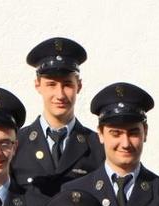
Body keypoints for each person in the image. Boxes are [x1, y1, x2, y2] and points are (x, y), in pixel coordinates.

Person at [12, 37, 104, 197]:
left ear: (79, 86)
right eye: (51, 84)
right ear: (37, 85)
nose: (60, 94)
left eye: (67, 84)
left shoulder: (97, 146)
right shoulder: (17, 144)